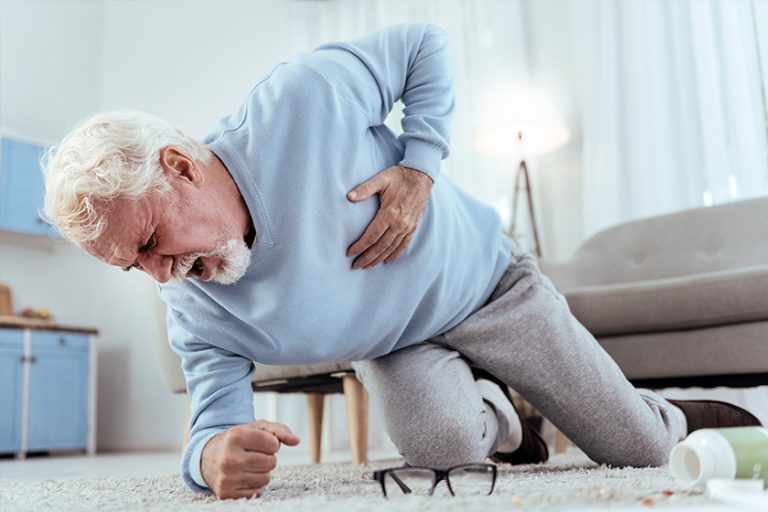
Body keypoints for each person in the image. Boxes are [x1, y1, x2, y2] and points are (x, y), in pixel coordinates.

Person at [42, 23, 761, 500]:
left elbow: (423, 44)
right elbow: (210, 431)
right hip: (398, 342)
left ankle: (676, 413)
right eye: (132, 268)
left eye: (147, 243)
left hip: (487, 285)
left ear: (179, 167)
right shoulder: (193, 303)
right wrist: (210, 462)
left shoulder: (297, 102)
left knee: (636, 448)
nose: (159, 275)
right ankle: (507, 423)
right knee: (446, 449)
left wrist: (420, 166)